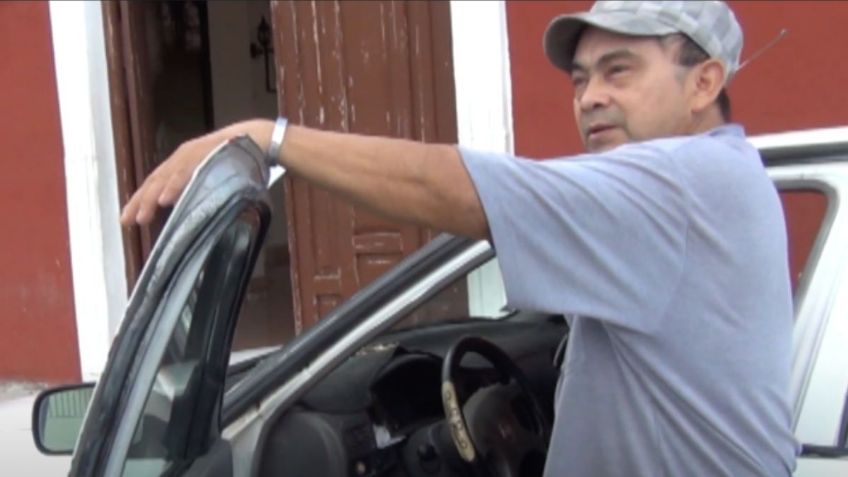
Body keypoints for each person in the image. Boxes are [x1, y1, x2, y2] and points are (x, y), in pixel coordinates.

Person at [121, 1, 797, 475]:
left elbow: (448, 187)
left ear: (704, 80)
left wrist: (269, 140)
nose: (589, 96)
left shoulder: (678, 185)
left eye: (619, 71)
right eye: (581, 78)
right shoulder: (713, 180)